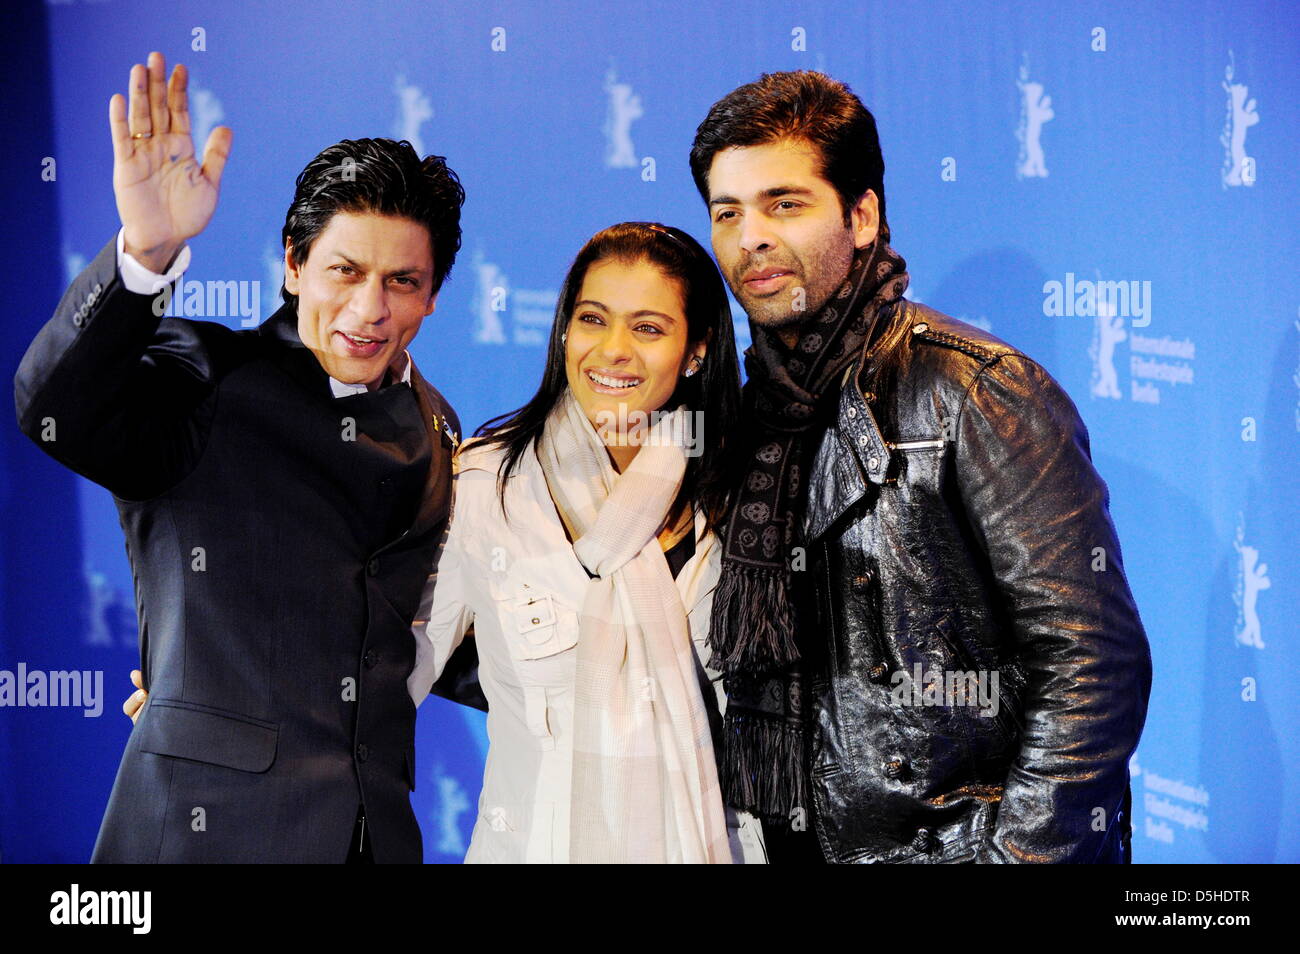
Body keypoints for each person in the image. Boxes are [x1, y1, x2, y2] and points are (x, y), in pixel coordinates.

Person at [16, 52, 477, 862]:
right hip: (207, 834)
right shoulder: (204, 376)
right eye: (345, 271)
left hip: (377, 839)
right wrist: (145, 255)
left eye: (402, 281)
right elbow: (52, 407)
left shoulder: (440, 426)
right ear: (294, 266)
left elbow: (438, 634)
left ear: (434, 292)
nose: (370, 310)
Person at [689, 71, 1152, 863]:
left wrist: (1016, 858)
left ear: (861, 215)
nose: (749, 237)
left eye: (784, 204)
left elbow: (1091, 662)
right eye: (727, 212)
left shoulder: (973, 388)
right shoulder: (746, 414)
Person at [406, 222, 765, 863]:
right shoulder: (487, 488)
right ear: (565, 330)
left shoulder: (748, 495)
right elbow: (391, 670)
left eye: (649, 328)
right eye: (594, 319)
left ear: (697, 350)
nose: (614, 350)